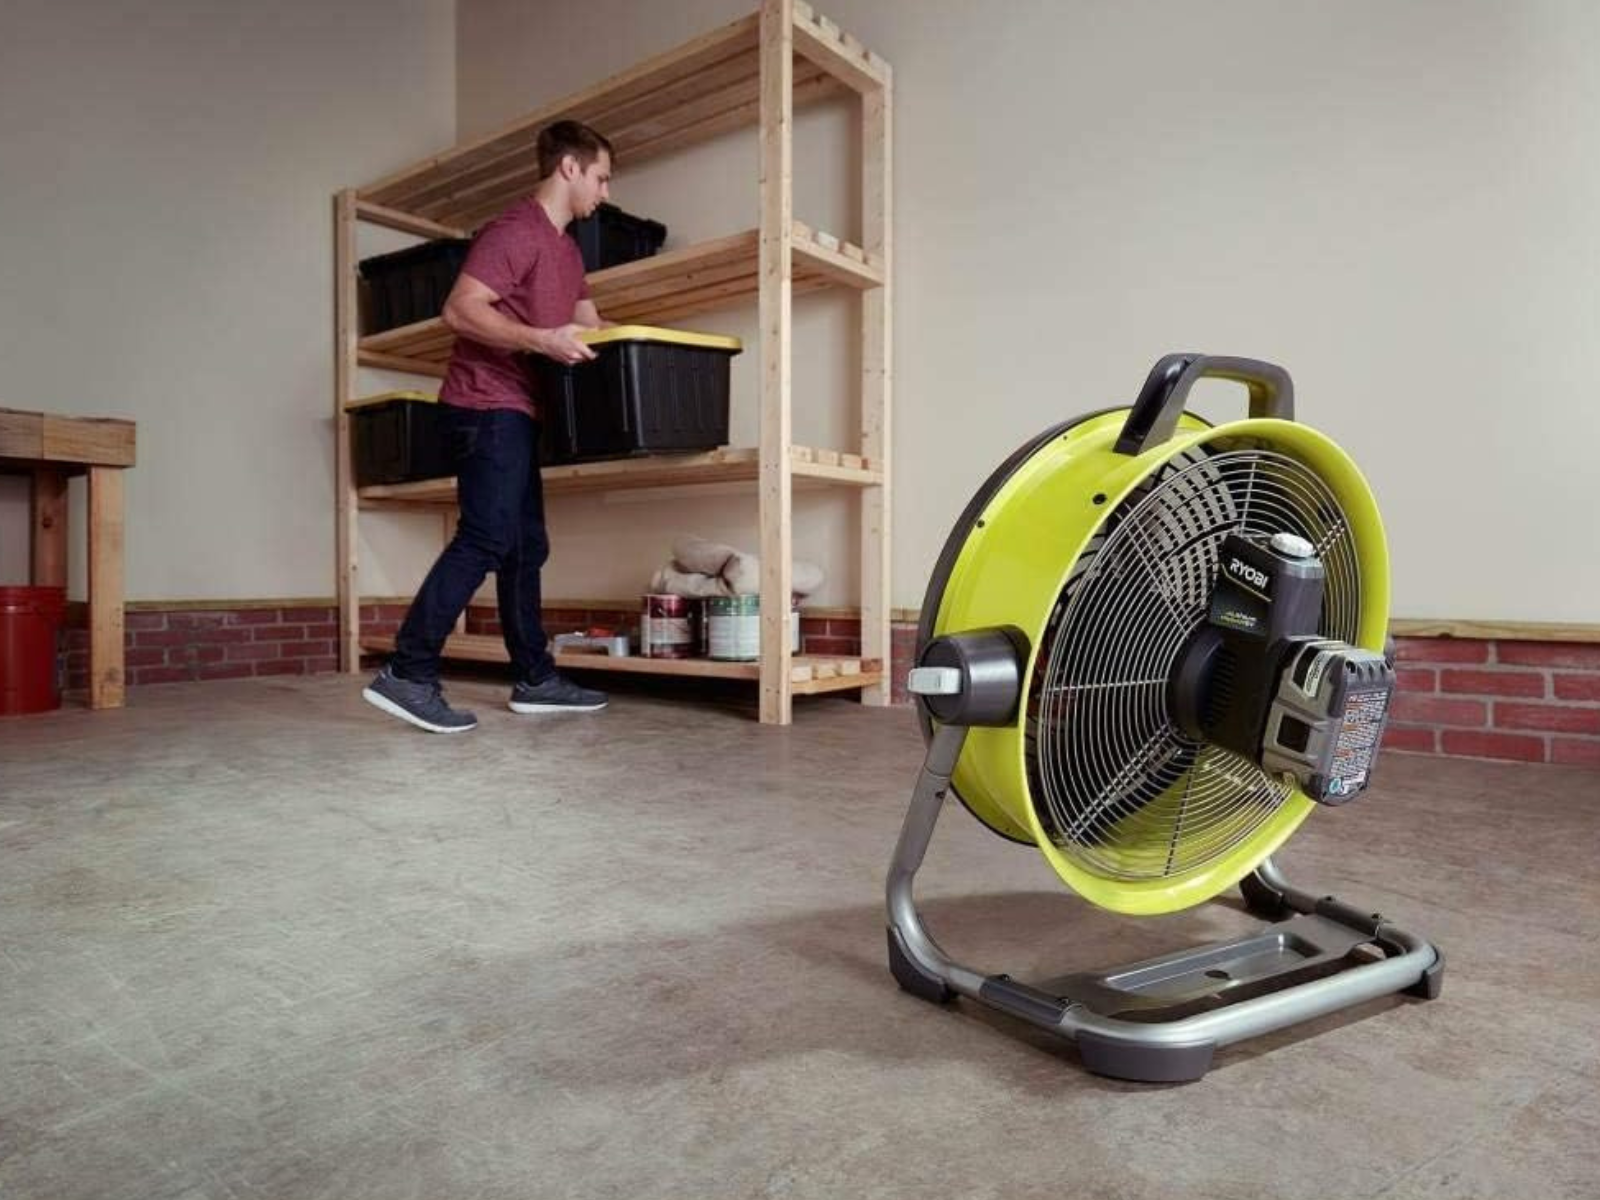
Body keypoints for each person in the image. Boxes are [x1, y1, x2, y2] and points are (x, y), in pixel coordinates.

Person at [363, 120, 614, 733]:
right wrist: (539, 339)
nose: (605, 194)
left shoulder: (566, 249)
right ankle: (408, 672)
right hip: (484, 405)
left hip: (523, 410)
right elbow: (460, 308)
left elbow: (591, 324)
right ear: (569, 168)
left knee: (527, 547)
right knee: (486, 538)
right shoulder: (515, 231)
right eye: (601, 178)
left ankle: (535, 678)